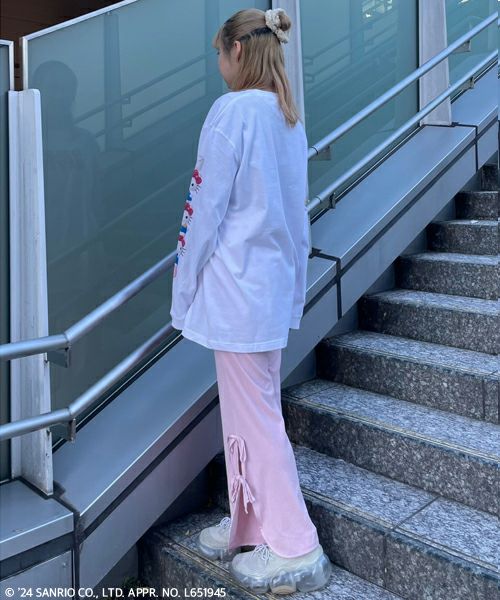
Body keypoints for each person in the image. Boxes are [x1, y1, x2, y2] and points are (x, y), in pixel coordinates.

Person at [170, 7, 332, 595]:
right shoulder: (287, 117)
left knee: (255, 419)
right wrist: (293, 293)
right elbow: (296, 218)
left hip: (236, 292)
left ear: (237, 50)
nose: (219, 63)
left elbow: (203, 210)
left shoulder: (231, 112)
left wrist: (183, 288)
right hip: (267, 290)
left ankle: (295, 544)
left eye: (220, 52)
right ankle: (249, 522)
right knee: (249, 413)